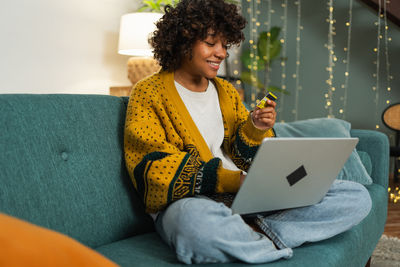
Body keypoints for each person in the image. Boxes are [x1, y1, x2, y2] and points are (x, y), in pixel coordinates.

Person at [124, 0, 372, 264]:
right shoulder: (148, 92)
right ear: (182, 41)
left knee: (355, 196)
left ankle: (258, 236)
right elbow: (152, 167)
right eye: (211, 43)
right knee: (193, 226)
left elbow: (249, 159)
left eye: (225, 44)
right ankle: (270, 236)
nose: (221, 53)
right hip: (193, 203)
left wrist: (255, 129)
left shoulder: (226, 92)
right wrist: (232, 181)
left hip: (247, 197)